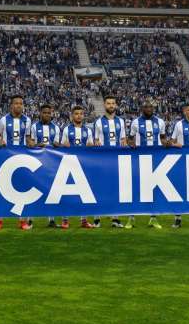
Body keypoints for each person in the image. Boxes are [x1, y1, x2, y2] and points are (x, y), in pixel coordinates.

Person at [128, 100, 167, 229]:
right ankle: (131, 218)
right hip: (139, 159)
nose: (149, 108)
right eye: (146, 106)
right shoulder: (135, 122)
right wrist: (131, 143)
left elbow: (163, 138)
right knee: (135, 189)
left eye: (151, 106)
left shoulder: (160, 122)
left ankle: (153, 218)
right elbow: (130, 138)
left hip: (155, 160)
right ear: (142, 108)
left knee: (153, 190)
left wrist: (168, 143)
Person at [0, 95, 33, 230]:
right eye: (16, 103)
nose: (18, 105)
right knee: (3, 189)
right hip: (6, 157)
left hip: (22, 159)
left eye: (21, 103)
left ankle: (22, 221)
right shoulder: (4, 120)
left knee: (22, 190)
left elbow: (28, 137)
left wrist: (33, 144)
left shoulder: (27, 120)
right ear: (11, 105)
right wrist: (1, 141)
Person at [93, 95, 128, 228]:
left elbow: (123, 140)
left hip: (117, 161)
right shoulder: (98, 122)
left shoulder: (121, 122)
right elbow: (96, 141)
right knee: (100, 188)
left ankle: (115, 218)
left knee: (116, 189)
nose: (111, 105)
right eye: (108, 103)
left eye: (113, 103)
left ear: (116, 105)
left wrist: (124, 143)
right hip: (102, 161)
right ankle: (97, 218)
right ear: (104, 105)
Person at [27, 104, 62, 228]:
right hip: (36, 162)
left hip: (51, 163)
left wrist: (57, 145)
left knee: (52, 192)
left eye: (49, 113)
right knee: (33, 190)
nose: (47, 115)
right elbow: (30, 143)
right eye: (44, 112)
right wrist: (37, 144)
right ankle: (30, 220)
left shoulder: (56, 128)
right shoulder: (34, 127)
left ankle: (51, 219)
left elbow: (58, 144)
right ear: (40, 113)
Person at [62, 106, 95, 229]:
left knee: (84, 194)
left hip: (83, 164)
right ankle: (65, 220)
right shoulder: (66, 130)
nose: (79, 116)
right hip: (68, 164)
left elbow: (90, 145)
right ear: (72, 116)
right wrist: (64, 145)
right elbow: (62, 146)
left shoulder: (88, 131)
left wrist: (91, 145)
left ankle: (84, 220)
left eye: (81, 113)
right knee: (66, 193)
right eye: (76, 113)